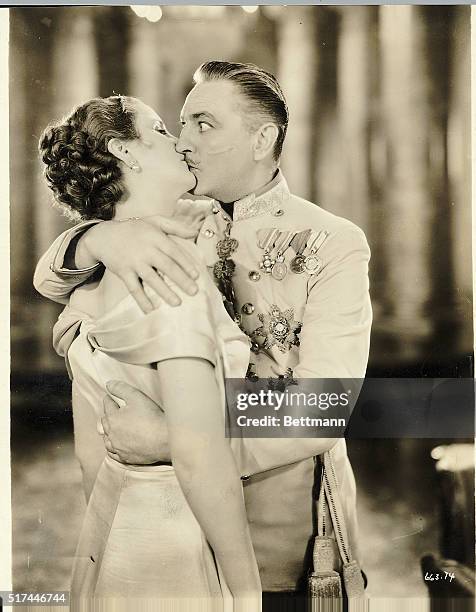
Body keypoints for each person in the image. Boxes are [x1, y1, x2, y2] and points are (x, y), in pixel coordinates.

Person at [34, 61, 372, 610]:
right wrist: (96, 240)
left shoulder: (334, 241)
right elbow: (51, 278)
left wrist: (173, 442)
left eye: (204, 124)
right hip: (171, 521)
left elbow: (323, 412)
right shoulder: (171, 216)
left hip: (279, 520)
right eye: (180, 124)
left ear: (263, 138)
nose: (185, 140)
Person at [37, 94, 262, 609]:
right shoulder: (168, 274)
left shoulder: (88, 286)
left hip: (114, 534)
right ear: (125, 151)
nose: (180, 143)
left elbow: (88, 452)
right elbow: (200, 457)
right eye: (162, 130)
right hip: (176, 538)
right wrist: (247, 592)